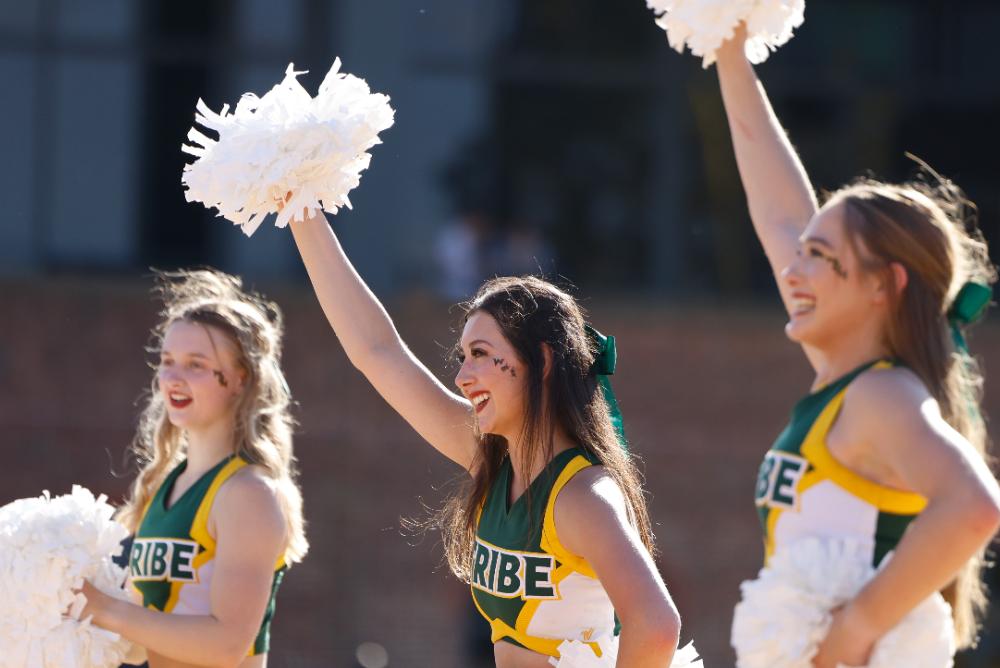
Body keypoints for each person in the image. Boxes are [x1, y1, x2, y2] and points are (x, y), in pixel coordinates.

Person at [286, 200, 690, 667]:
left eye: (480, 353)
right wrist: (302, 212)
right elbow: (377, 350)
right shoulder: (493, 461)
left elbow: (657, 626)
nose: (462, 377)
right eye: (462, 357)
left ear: (541, 362)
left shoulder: (582, 496)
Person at [714, 26, 1000, 667]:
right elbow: (779, 214)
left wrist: (854, 629)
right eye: (803, 254)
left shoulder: (881, 393)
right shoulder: (851, 382)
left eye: (821, 257)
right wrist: (729, 52)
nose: (794, 270)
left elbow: (975, 505)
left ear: (882, 285)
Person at [81, 269, 308, 668]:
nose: (172, 377)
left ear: (240, 379)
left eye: (196, 365)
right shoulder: (163, 487)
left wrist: (104, 610)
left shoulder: (246, 493)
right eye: (167, 361)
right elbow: (143, 639)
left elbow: (226, 644)